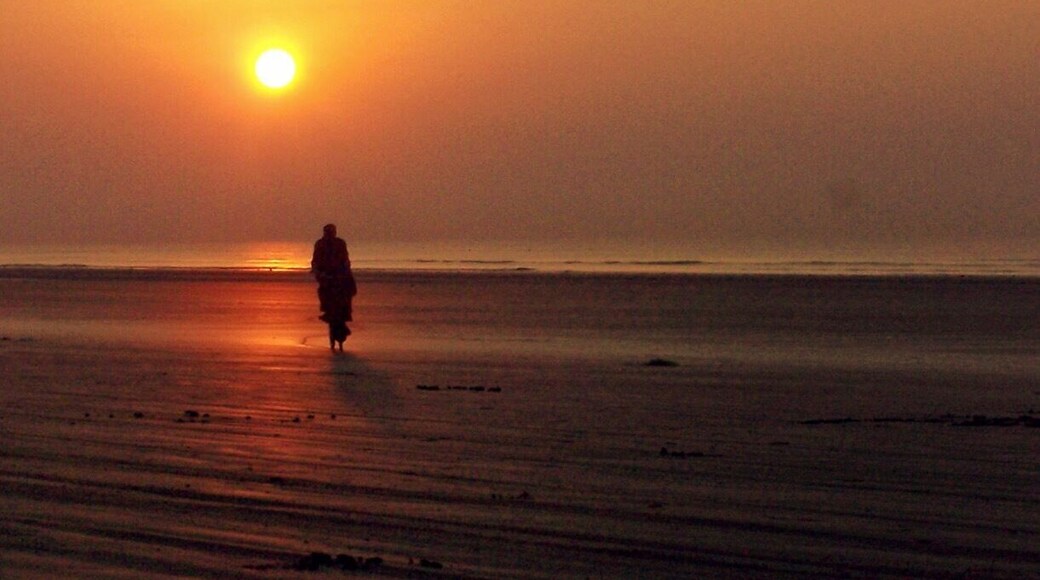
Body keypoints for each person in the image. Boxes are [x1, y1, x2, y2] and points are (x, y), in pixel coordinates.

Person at [311, 224, 357, 351]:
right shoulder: (320, 244)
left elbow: (345, 260)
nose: (330, 234)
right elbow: (315, 261)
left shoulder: (339, 243)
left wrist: (345, 273)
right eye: (328, 232)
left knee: (344, 301)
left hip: (339, 278)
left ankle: (342, 316)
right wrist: (319, 273)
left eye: (331, 232)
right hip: (327, 279)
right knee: (324, 295)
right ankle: (327, 311)